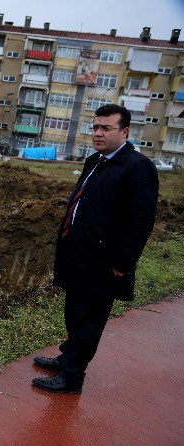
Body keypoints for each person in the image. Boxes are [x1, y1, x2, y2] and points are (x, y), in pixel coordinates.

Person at [32, 104, 159, 394]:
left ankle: (71, 377)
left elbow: (140, 221)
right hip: (80, 254)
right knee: (75, 311)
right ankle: (68, 356)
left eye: (106, 128)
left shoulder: (138, 168)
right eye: (95, 127)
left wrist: (121, 262)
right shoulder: (95, 161)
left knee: (89, 318)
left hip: (105, 261)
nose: (98, 133)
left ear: (124, 131)